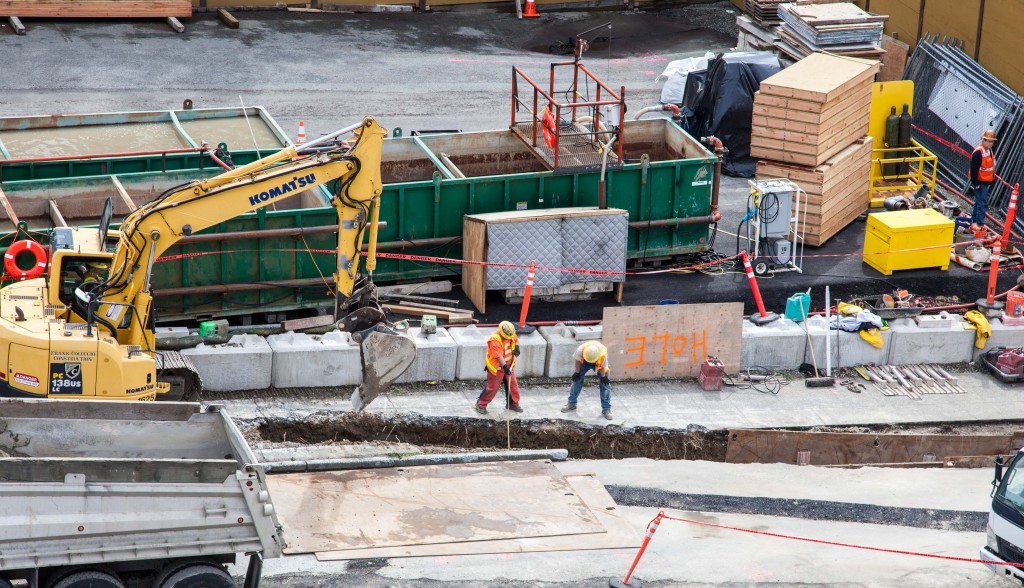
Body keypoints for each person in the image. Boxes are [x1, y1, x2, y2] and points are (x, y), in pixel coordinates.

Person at [474, 321, 522, 414]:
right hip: (498, 368)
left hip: (508, 366)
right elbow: (499, 356)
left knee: (513, 385)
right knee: (492, 388)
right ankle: (481, 404)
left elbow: (515, 338)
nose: (508, 338)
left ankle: (512, 404)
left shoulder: (510, 332)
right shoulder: (495, 340)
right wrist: (505, 367)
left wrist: (517, 347)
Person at [561, 341, 612, 420]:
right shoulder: (580, 350)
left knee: (605, 385)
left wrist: (603, 377)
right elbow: (577, 361)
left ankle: (606, 408)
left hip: (598, 363)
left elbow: (603, 367)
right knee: (576, 381)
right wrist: (577, 372)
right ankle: (571, 403)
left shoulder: (603, 354)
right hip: (584, 362)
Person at [968, 129, 997, 232]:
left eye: (992, 141)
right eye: (989, 141)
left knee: (978, 203)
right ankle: (979, 224)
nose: (991, 143)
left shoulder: (988, 150)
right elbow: (974, 170)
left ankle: (974, 221)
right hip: (980, 182)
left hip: (985, 181)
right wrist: (976, 184)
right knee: (982, 204)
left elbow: (989, 167)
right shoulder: (978, 153)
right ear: (983, 140)